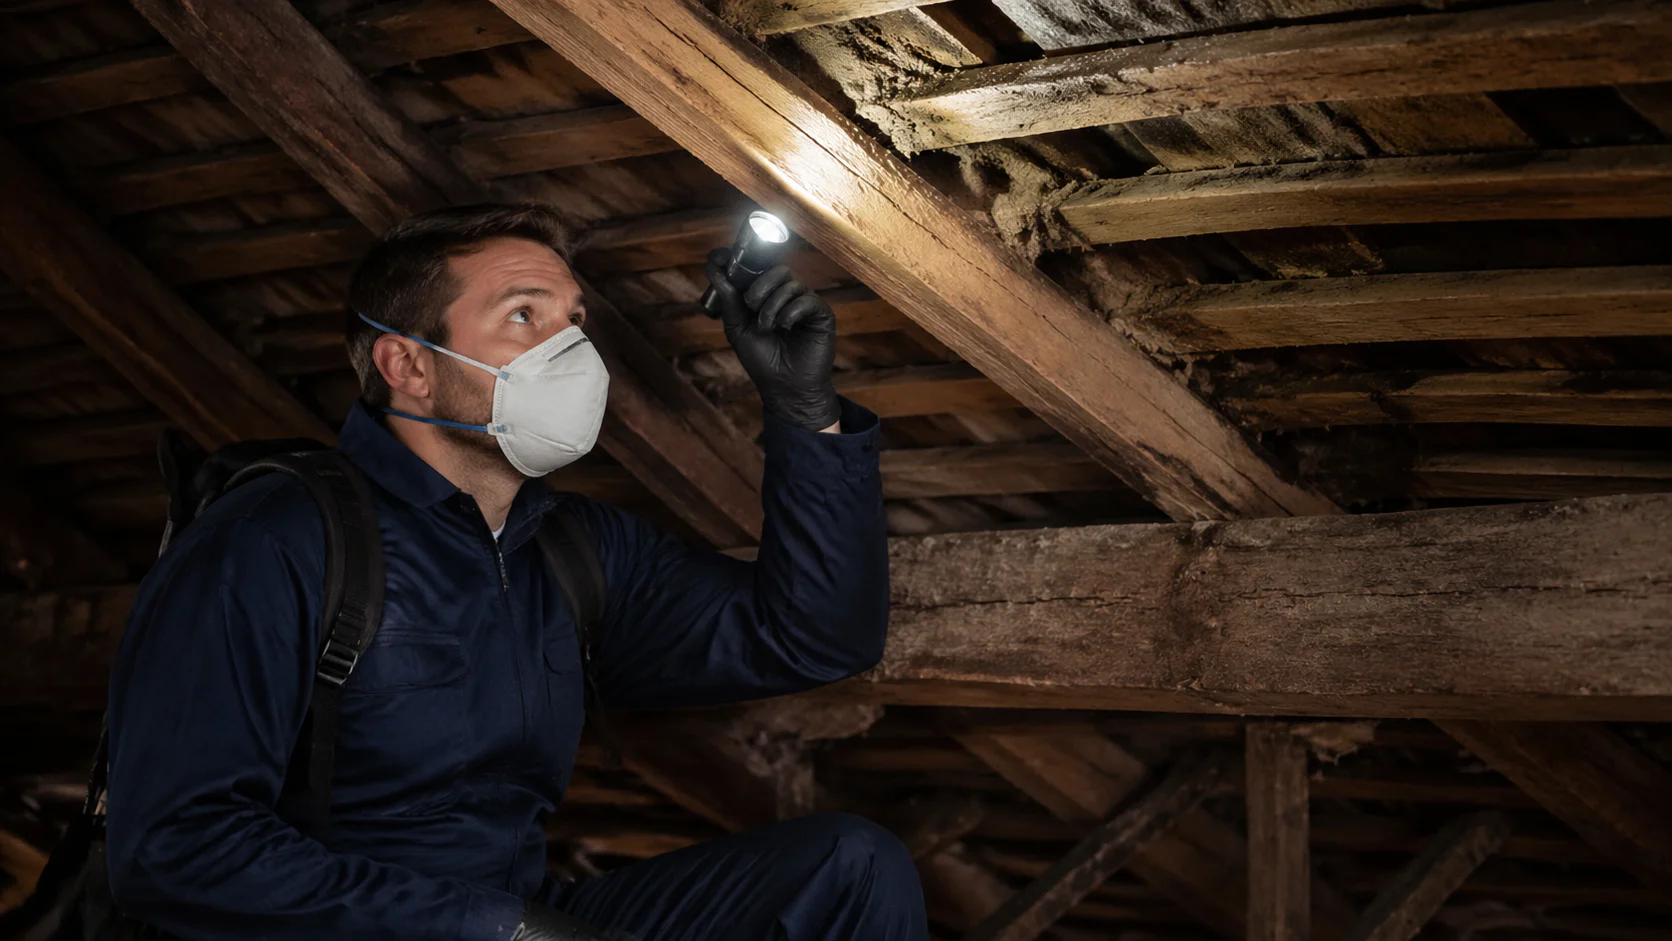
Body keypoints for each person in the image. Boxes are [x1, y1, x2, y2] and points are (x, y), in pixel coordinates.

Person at [103, 204, 926, 940]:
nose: (567, 348)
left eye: (572, 320)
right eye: (523, 317)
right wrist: (493, 927)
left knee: (851, 867)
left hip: (517, 917)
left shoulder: (570, 550)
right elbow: (177, 847)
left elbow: (815, 637)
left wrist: (802, 410)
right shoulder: (274, 541)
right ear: (409, 366)